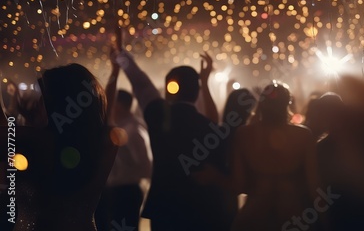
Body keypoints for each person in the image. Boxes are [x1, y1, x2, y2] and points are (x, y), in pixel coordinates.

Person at [113, 42, 232, 230]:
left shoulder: (159, 116)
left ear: (169, 91)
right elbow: (213, 120)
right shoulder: (208, 126)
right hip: (202, 209)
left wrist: (121, 55)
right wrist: (205, 81)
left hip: (165, 209)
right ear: (196, 93)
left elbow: (141, 84)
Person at [0, 63, 117, 231]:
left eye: (42, 98)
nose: (37, 103)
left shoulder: (38, 141)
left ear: (56, 103)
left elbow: (6, 135)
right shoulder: (104, 142)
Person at [230, 83, 324, 231]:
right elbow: (314, 184)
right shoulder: (303, 135)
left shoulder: (244, 134)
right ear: (288, 103)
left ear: (261, 103)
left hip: (254, 216)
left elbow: (239, 185)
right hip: (293, 214)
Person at [95, 90, 152, 231]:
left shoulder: (134, 131)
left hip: (126, 193)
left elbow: (146, 167)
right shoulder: (122, 128)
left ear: (118, 106)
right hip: (117, 192)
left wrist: (125, 171)